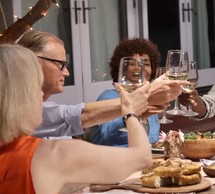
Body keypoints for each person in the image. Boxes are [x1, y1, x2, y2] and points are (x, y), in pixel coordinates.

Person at [0, 44, 152, 194]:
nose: (40, 96)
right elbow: (142, 157)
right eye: (35, 87)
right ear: (18, 96)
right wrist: (130, 111)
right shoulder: (49, 156)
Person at [17, 30, 186, 138]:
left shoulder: (46, 113)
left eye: (145, 64)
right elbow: (79, 116)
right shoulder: (19, 113)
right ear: (33, 62)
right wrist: (142, 100)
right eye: (60, 64)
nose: (67, 73)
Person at [92, 38, 161, 145]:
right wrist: (130, 116)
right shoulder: (108, 97)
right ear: (121, 69)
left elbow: (152, 143)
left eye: (146, 64)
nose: (139, 68)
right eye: (132, 63)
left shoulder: (148, 102)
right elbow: (107, 134)